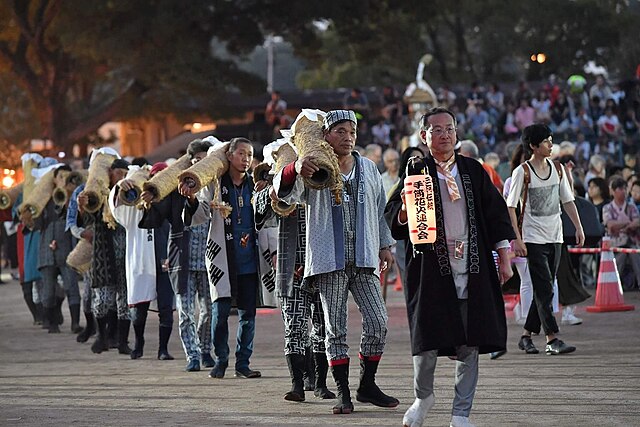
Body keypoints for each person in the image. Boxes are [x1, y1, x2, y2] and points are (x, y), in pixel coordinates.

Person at [386, 107, 514, 427]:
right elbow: (395, 218)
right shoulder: (416, 170)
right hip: (432, 266)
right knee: (426, 339)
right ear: (424, 135)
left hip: (474, 264)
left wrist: (506, 257)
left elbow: (497, 215)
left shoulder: (473, 169)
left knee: (470, 340)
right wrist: (404, 208)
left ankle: (461, 412)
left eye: (450, 128)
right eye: (437, 129)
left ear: (457, 133)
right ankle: (423, 396)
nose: (444, 134)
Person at [273, 110, 398, 415]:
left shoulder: (369, 168)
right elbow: (283, 195)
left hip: (365, 258)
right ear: (326, 135)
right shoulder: (314, 169)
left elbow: (380, 210)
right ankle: (343, 392)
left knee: (379, 323)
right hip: (330, 260)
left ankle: (367, 384)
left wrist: (385, 245)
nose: (347, 137)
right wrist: (294, 168)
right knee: (335, 327)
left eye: (351, 132)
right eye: (340, 131)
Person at [181, 137, 275, 379]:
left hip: (251, 259)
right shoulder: (214, 185)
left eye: (250, 154)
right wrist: (191, 198)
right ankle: (221, 359)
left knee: (248, 314)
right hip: (223, 258)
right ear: (229, 156)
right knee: (220, 312)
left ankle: (243, 363)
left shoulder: (256, 185)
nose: (246, 158)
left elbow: (267, 220)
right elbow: (200, 215)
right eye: (241, 153)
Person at [253, 153, 335, 402]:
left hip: (321, 264)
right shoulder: (281, 181)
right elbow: (257, 207)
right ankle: (297, 385)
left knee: (323, 327)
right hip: (291, 266)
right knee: (294, 327)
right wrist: (272, 191)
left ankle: (320, 383)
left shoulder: (325, 179)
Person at [506, 123, 584, 356]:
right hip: (533, 237)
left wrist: (578, 227)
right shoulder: (523, 172)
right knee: (544, 287)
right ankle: (552, 338)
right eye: (546, 141)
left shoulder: (557, 169)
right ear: (533, 146)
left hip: (556, 235)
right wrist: (518, 239)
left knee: (545, 288)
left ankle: (526, 335)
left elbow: (567, 200)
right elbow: (510, 207)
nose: (551, 145)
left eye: (551, 140)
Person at [140, 139, 215, 369]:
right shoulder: (176, 188)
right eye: (194, 161)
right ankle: (192, 355)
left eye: (203, 160)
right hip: (181, 258)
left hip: (209, 259)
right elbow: (159, 213)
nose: (198, 165)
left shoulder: (215, 187)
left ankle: (204, 350)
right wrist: (150, 202)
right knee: (185, 311)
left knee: (209, 311)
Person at [78, 154, 131, 354]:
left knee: (124, 300)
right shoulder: (99, 195)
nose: (122, 177)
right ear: (110, 174)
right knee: (103, 300)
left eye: (126, 174)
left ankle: (122, 341)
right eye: (119, 173)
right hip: (104, 254)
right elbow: (88, 218)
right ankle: (101, 336)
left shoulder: (132, 193)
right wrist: (82, 205)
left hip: (126, 254)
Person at [602, 176, 640, 291]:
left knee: (635, 255)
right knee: (621, 257)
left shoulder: (631, 207)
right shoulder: (607, 208)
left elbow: (637, 222)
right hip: (615, 244)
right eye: (620, 188)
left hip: (632, 242)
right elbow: (610, 225)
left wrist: (622, 225)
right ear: (613, 191)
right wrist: (627, 223)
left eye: (625, 188)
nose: (624, 191)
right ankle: (612, 287)